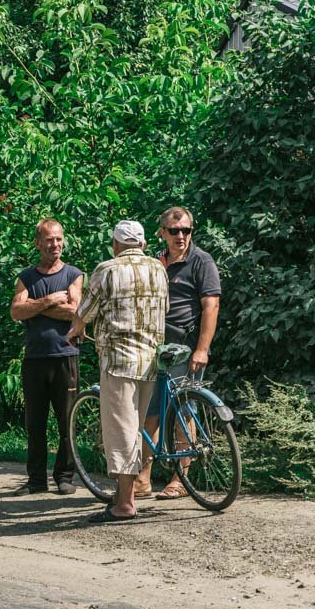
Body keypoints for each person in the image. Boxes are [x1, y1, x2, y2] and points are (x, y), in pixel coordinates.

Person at [68, 220, 168, 523]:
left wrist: (76, 329)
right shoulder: (158, 269)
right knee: (135, 428)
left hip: (118, 360)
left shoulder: (108, 269)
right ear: (143, 244)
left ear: (115, 244)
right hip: (151, 359)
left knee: (121, 431)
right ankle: (129, 492)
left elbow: (85, 310)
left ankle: (124, 503)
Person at [137, 206, 222, 500]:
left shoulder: (201, 261)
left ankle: (180, 478)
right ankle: (143, 478)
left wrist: (202, 349)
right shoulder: (156, 262)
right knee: (150, 413)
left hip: (184, 349)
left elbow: (211, 305)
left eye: (186, 230)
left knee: (183, 411)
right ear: (162, 233)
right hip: (154, 348)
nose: (181, 236)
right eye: (174, 231)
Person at [9, 218, 84, 494]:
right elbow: (15, 312)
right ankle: (36, 480)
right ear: (38, 243)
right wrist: (50, 301)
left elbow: (75, 311)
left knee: (67, 420)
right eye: (50, 240)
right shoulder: (27, 276)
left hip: (65, 354)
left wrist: (34, 306)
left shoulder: (73, 274)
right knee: (35, 423)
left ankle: (65, 477)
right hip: (35, 358)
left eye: (59, 238)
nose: (56, 244)